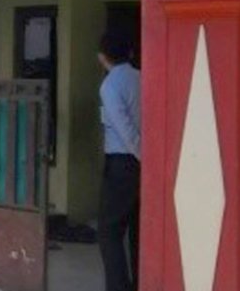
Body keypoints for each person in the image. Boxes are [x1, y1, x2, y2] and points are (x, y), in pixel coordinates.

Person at [97, 29, 141, 291]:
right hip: (140, 164)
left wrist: (140, 153)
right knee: (138, 229)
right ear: (131, 53)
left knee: (109, 231)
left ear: (102, 56)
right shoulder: (142, 78)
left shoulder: (110, 85)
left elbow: (124, 128)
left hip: (122, 163)